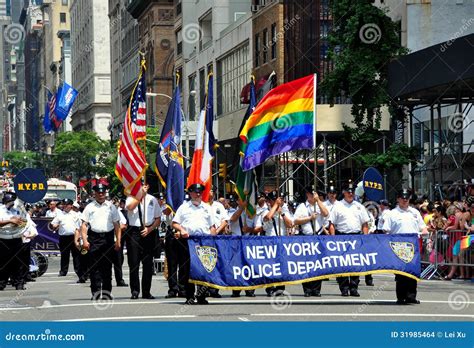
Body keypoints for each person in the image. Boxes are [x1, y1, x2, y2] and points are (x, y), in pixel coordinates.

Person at [172, 183, 216, 305]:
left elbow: (212, 226)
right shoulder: (184, 207)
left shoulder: (207, 208)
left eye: (200, 192)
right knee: (188, 269)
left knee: (203, 268)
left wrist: (213, 241)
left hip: (203, 241)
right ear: (190, 193)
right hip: (188, 241)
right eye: (196, 192)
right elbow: (174, 223)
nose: (198, 194)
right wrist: (182, 230)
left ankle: (202, 295)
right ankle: (189, 296)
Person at [382, 188, 428, 304]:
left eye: (407, 198)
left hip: (413, 245)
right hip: (398, 245)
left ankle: (411, 296)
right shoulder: (392, 213)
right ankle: (401, 296)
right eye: (402, 198)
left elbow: (422, 227)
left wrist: (425, 231)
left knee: (412, 271)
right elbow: (386, 231)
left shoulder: (415, 212)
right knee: (401, 273)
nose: (405, 200)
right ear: (398, 199)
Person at [80, 184, 121, 300]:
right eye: (98, 192)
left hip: (108, 238)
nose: (101, 194)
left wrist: (118, 240)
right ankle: (96, 293)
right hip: (94, 238)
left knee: (107, 267)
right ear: (95, 193)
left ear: (105, 193)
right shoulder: (89, 207)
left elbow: (117, 225)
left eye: (103, 192)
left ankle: (107, 293)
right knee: (94, 268)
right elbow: (84, 225)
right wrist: (85, 240)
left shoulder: (111, 206)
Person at [329, 180, 370, 297]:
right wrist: (333, 240)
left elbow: (365, 224)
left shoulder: (359, 206)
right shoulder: (337, 206)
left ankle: (354, 287)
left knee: (355, 263)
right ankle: (344, 288)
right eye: (348, 192)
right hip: (341, 237)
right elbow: (331, 224)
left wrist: (365, 238)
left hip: (356, 237)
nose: (350, 194)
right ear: (343, 192)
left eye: (352, 192)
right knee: (342, 264)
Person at [125, 184, 162, 299]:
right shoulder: (131, 197)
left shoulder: (152, 199)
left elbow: (158, 218)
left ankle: (146, 291)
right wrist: (140, 195)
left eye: (145, 185)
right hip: (134, 232)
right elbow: (130, 207)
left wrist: (150, 229)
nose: (143, 187)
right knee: (134, 263)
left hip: (148, 231)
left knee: (147, 264)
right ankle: (135, 291)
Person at [293, 187, 329, 297]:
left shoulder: (320, 205)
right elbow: (296, 220)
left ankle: (316, 289)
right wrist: (309, 218)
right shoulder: (302, 206)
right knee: (307, 264)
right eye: (312, 194)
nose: (313, 196)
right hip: (306, 237)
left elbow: (326, 213)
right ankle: (307, 289)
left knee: (318, 264)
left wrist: (318, 201)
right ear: (308, 195)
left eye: (315, 194)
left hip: (318, 236)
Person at [256, 190, 293, 296]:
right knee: (270, 265)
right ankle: (270, 287)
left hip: (282, 240)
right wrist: (275, 206)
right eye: (275, 200)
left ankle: (280, 287)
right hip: (270, 241)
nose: (278, 202)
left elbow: (290, 224)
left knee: (281, 265)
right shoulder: (265, 210)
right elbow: (267, 218)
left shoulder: (284, 208)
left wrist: (283, 213)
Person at [228, 195, 257, 297]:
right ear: (237, 201)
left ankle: (250, 289)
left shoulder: (250, 213)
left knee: (249, 265)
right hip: (236, 242)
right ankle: (236, 289)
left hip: (248, 241)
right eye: (242, 199)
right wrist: (241, 208)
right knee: (237, 266)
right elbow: (232, 219)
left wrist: (249, 229)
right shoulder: (232, 211)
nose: (245, 201)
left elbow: (256, 227)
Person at [0, 192, 30, 290]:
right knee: (3, 262)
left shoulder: (18, 210)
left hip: (16, 238)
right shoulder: (1, 210)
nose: (12, 203)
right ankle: (1, 283)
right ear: (6, 201)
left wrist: (19, 222)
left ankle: (18, 283)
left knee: (18, 262)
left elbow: (25, 221)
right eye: (10, 201)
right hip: (3, 239)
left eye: (13, 201)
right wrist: (10, 221)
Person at [50, 199, 83, 279]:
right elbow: (53, 224)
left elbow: (81, 226)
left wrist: (80, 237)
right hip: (64, 237)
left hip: (74, 237)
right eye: (63, 204)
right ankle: (63, 271)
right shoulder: (60, 215)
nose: (64, 206)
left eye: (66, 204)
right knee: (64, 255)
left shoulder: (76, 215)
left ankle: (78, 270)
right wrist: (53, 226)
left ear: (71, 205)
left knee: (76, 255)